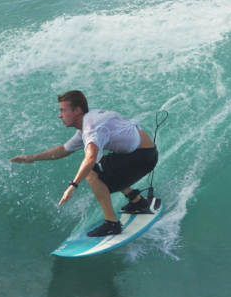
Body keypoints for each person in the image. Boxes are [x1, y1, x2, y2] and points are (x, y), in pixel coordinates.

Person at [11, 90, 159, 237]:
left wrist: (73, 185)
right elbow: (64, 149)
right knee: (104, 167)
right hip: (140, 153)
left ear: (77, 110)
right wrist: (33, 157)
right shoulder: (88, 122)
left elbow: (90, 158)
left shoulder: (91, 128)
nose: (60, 115)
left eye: (63, 110)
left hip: (143, 156)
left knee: (93, 173)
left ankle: (112, 224)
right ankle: (137, 201)